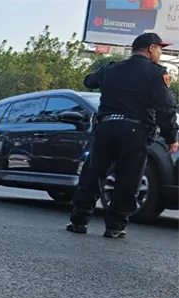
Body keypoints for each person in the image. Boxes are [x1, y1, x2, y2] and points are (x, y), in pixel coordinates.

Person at [67, 32, 179, 239]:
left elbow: (89, 81)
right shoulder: (156, 73)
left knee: (93, 174)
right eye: (160, 49)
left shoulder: (111, 68)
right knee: (128, 178)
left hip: (106, 128)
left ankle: (79, 221)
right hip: (135, 132)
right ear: (151, 48)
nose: (161, 54)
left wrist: (107, 72)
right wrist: (171, 138)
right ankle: (115, 227)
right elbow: (167, 108)